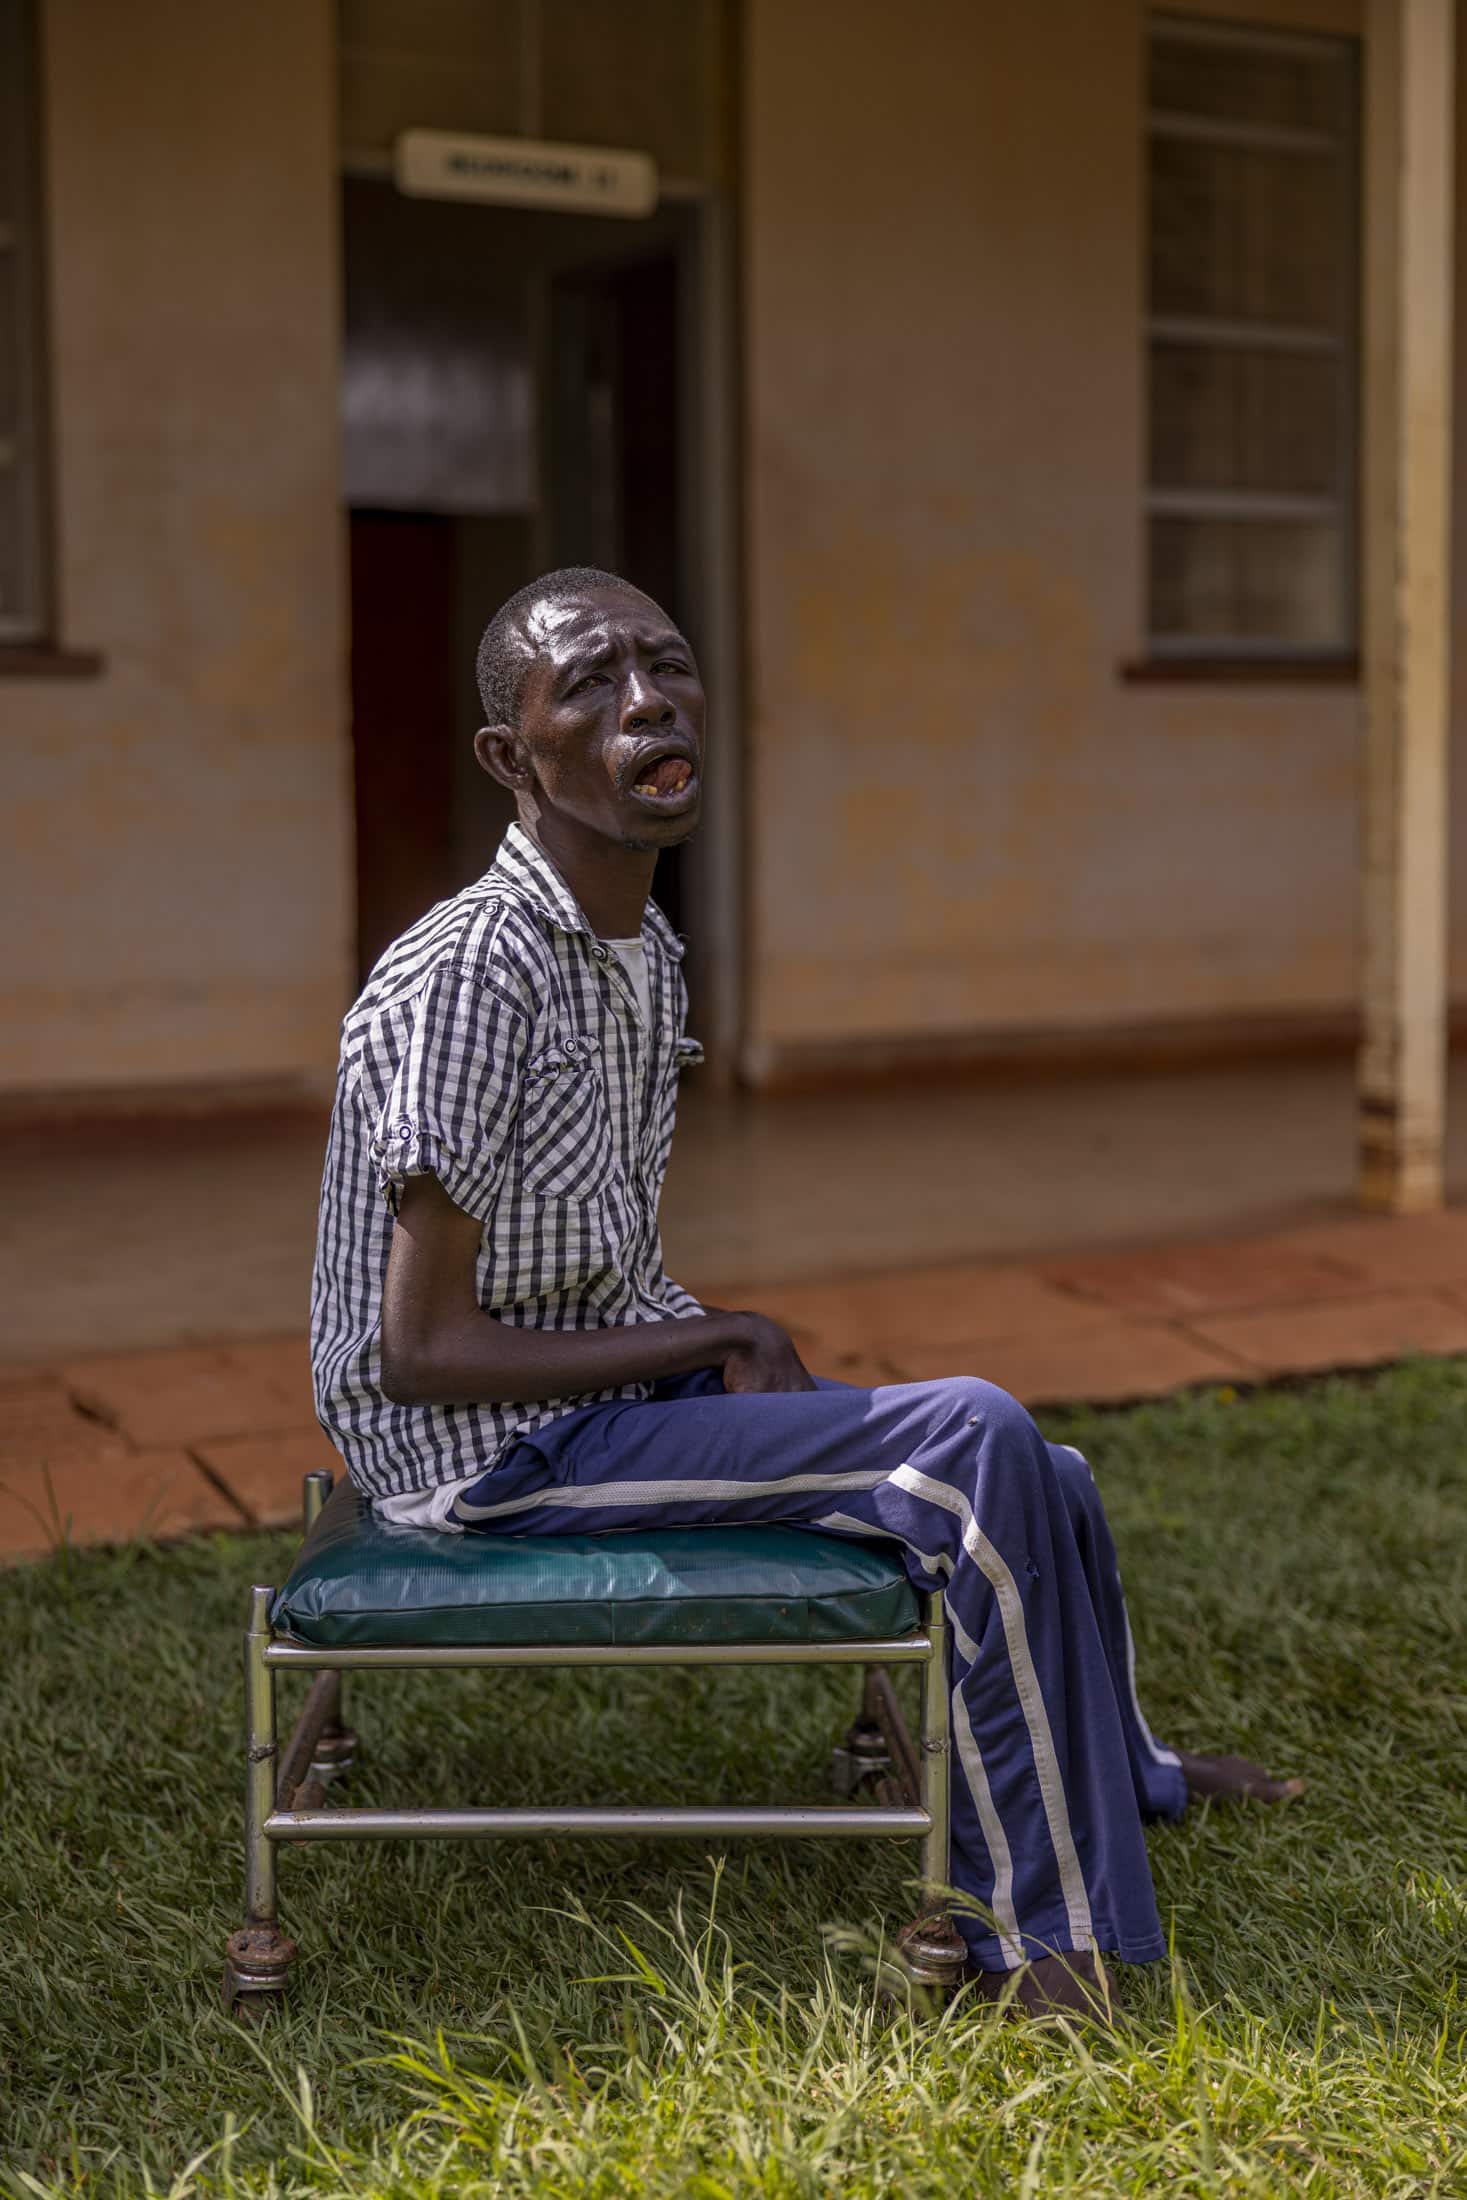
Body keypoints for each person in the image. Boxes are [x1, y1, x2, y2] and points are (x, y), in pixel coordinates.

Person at [311, 565, 1300, 2018]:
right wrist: (717, 1334)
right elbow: (418, 1348)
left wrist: (696, 1351)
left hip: (591, 1394)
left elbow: (585, 1261)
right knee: (969, 1439)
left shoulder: (638, 949)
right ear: (511, 760)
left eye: (667, 665)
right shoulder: (475, 973)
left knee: (1047, 1471)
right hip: (480, 1457)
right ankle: (1048, 1945)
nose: (647, 700)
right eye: (590, 683)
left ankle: (1128, 1775)